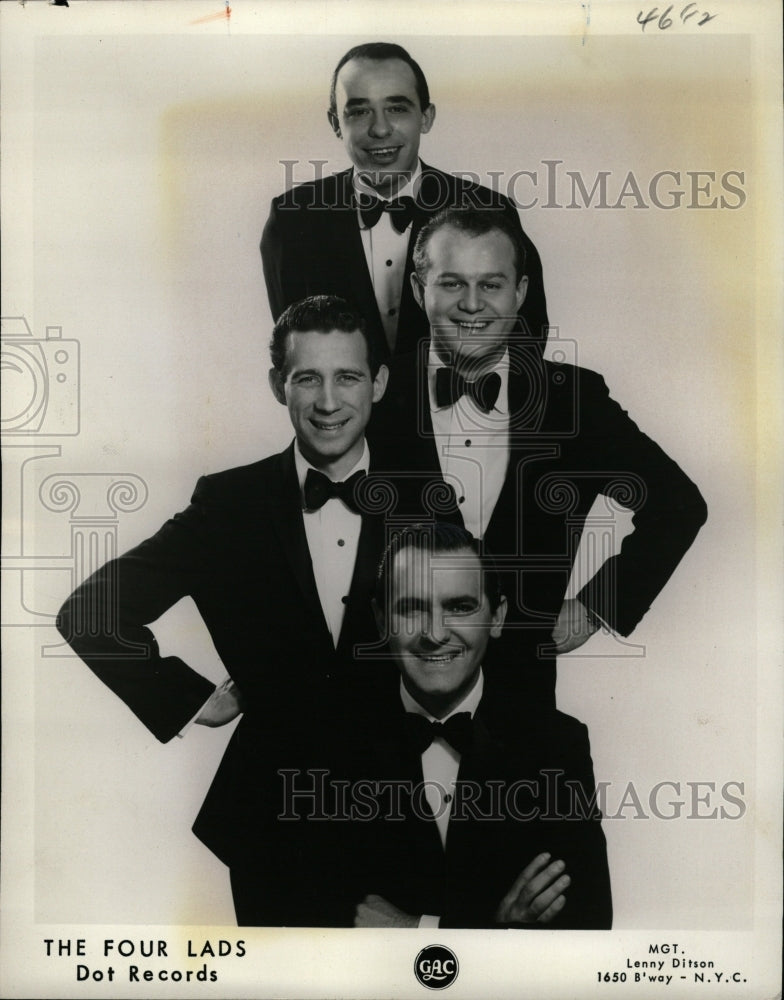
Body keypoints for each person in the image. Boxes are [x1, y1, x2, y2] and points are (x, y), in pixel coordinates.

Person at [56, 295, 393, 926]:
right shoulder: (229, 504)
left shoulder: (427, 497)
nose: (328, 401)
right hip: (273, 822)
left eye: (347, 376)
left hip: (409, 811)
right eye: (306, 378)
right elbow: (90, 611)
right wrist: (191, 697)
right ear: (276, 385)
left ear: (378, 381)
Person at [369, 207, 708, 706]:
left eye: (491, 285)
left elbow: (678, 504)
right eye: (451, 284)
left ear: (520, 293)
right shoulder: (371, 393)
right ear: (419, 292)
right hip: (377, 709)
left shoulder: (574, 400)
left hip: (521, 714)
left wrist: (597, 605)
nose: (471, 305)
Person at [337, 522, 612, 929]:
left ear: (497, 617)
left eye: (460, 607)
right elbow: (305, 915)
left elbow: (586, 923)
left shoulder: (558, 744)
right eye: (411, 608)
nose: (434, 633)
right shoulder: (326, 741)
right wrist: (498, 924)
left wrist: (415, 929)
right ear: (380, 619)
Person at [261, 41, 548, 360]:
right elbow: (294, 356)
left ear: (426, 117)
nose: (380, 129)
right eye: (359, 111)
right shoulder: (291, 219)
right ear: (335, 124)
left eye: (397, 108)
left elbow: (527, 339)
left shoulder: (490, 209)